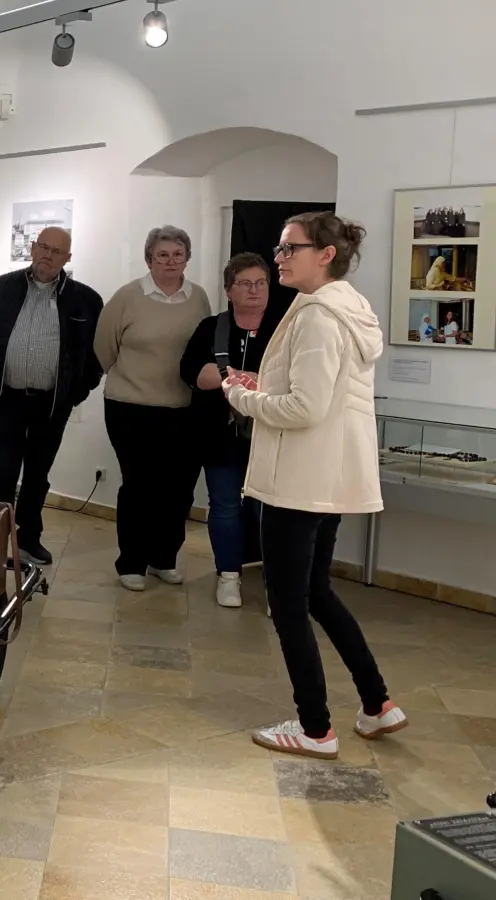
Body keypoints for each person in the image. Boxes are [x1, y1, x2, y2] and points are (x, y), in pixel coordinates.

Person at [225, 212, 407, 759]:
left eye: (288, 249)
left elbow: (305, 408)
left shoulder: (320, 317)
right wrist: (266, 384)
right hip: (321, 475)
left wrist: (242, 398)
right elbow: (313, 392)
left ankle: (315, 727)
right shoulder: (340, 307)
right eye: (279, 249)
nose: (278, 258)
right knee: (317, 592)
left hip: (297, 481)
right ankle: (377, 705)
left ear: (325, 255)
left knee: (288, 604)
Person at [0, 227, 104, 565]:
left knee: (38, 473)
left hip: (52, 403)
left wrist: (75, 393)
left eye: (57, 251)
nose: (48, 255)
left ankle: (28, 538)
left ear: (67, 258)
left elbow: (96, 356)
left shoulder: (86, 299)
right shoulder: (3, 288)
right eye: (43, 247)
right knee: (5, 471)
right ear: (32, 247)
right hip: (8, 398)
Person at [94, 226, 211, 591]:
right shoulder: (129, 296)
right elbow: (103, 347)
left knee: (177, 489)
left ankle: (164, 558)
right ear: (149, 259)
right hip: (130, 406)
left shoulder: (199, 298)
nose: (171, 261)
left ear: (187, 258)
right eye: (162, 255)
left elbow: (203, 347)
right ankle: (131, 562)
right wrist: (132, 376)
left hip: (182, 407)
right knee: (139, 486)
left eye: (178, 254)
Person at [180, 253, 273, 609]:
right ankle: (228, 576)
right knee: (224, 507)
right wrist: (232, 378)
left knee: (269, 510)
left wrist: (253, 381)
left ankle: (274, 582)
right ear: (229, 290)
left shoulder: (285, 328)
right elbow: (190, 372)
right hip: (219, 436)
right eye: (244, 283)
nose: (254, 290)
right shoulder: (211, 327)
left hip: (270, 437)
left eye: (260, 283)